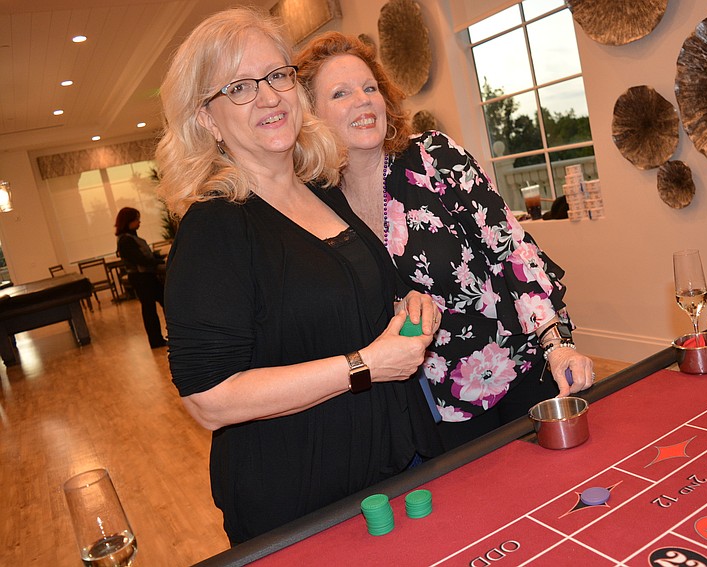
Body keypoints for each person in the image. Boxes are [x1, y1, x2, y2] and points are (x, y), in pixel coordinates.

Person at [155, 8, 443, 545]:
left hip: (394, 465)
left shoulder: (322, 189)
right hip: (303, 499)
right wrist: (364, 366)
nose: (268, 97)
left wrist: (409, 305)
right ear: (207, 119)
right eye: (238, 87)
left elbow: (360, 299)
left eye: (276, 75)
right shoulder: (216, 225)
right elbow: (208, 399)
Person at [296, 32, 596, 450]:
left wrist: (557, 345)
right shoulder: (314, 203)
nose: (363, 100)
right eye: (341, 93)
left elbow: (512, 249)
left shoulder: (434, 157)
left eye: (370, 88)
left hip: (519, 371)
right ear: (311, 116)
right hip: (431, 407)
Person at [114, 207, 166, 348]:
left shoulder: (132, 237)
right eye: (137, 219)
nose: (139, 222)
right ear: (128, 221)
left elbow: (146, 256)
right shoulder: (126, 240)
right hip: (141, 278)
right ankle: (156, 341)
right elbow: (141, 260)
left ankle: (160, 339)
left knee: (160, 305)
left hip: (146, 277)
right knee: (150, 310)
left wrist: (157, 257)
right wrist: (160, 262)